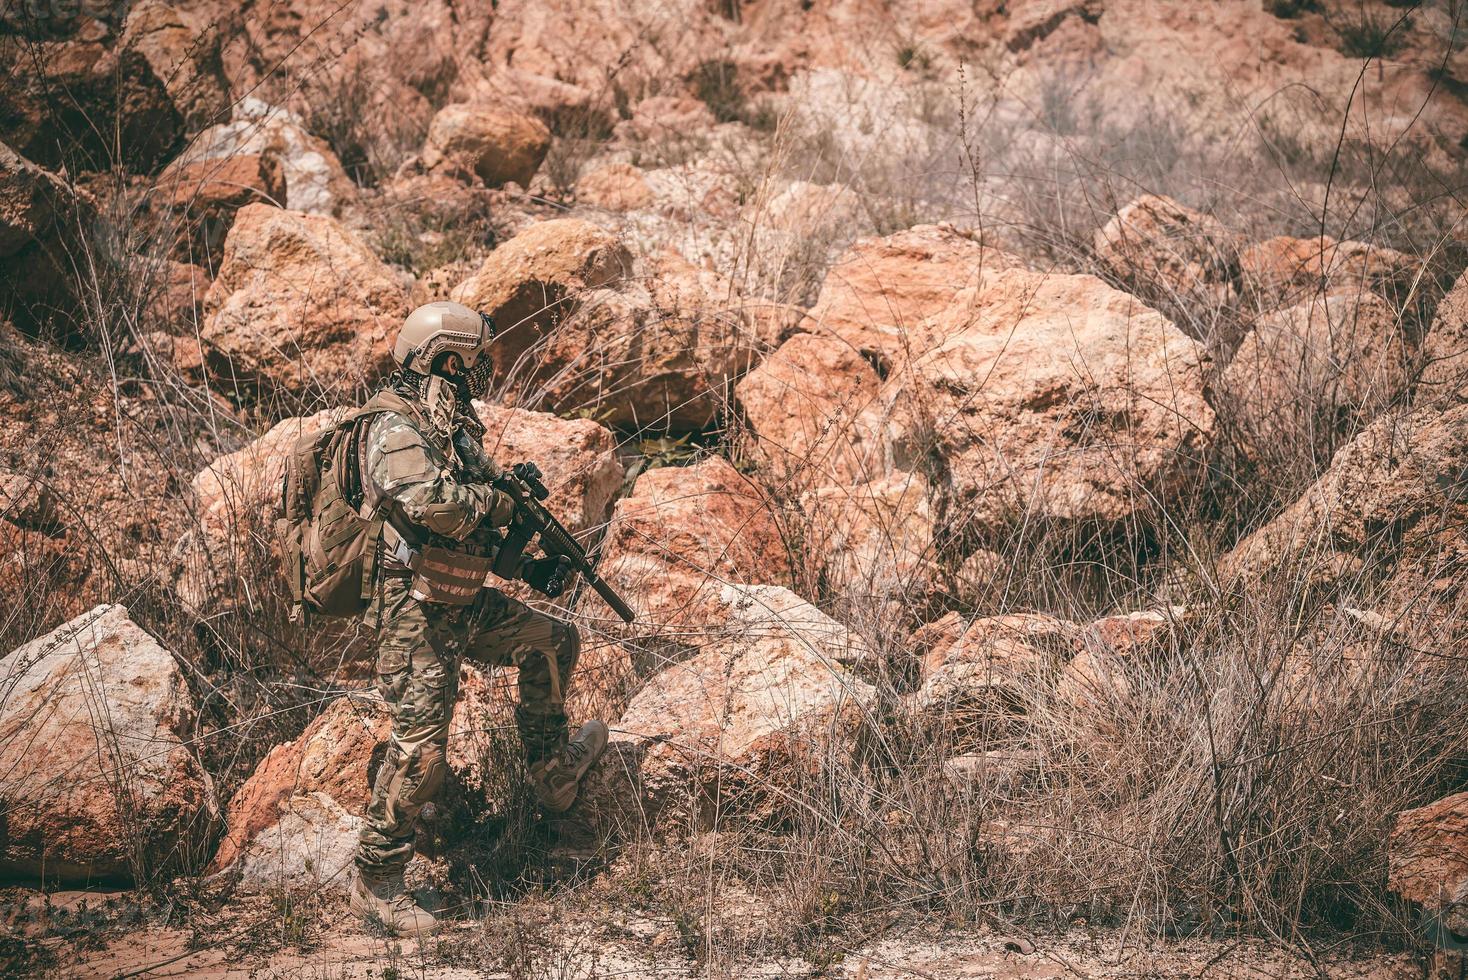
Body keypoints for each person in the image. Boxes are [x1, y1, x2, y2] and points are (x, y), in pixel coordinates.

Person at [348, 301, 608, 936]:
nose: (480, 376)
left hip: (460, 601)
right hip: (416, 615)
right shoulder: (393, 426)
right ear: (447, 359)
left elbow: (466, 539)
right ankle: (376, 878)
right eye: (474, 364)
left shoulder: (450, 428)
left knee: (552, 640)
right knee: (420, 752)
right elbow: (431, 506)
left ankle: (551, 779)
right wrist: (495, 502)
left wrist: (528, 564)